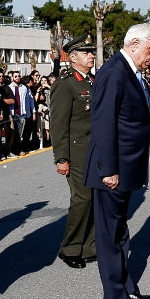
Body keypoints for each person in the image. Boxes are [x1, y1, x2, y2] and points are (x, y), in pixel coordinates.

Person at [84, 23, 150, 299]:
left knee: (119, 232)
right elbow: (103, 123)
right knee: (109, 235)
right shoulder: (114, 71)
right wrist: (108, 169)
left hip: (126, 167)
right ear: (134, 44)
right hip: (112, 170)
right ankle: (114, 298)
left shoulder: (130, 71)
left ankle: (128, 288)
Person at [50, 35, 98, 269]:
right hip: (77, 152)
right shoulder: (66, 83)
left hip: (95, 151)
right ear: (73, 57)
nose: (92, 56)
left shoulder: (90, 81)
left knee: (95, 199)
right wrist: (61, 157)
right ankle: (70, 248)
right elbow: (59, 124)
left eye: (92, 52)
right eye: (86, 53)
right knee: (82, 199)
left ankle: (90, 246)